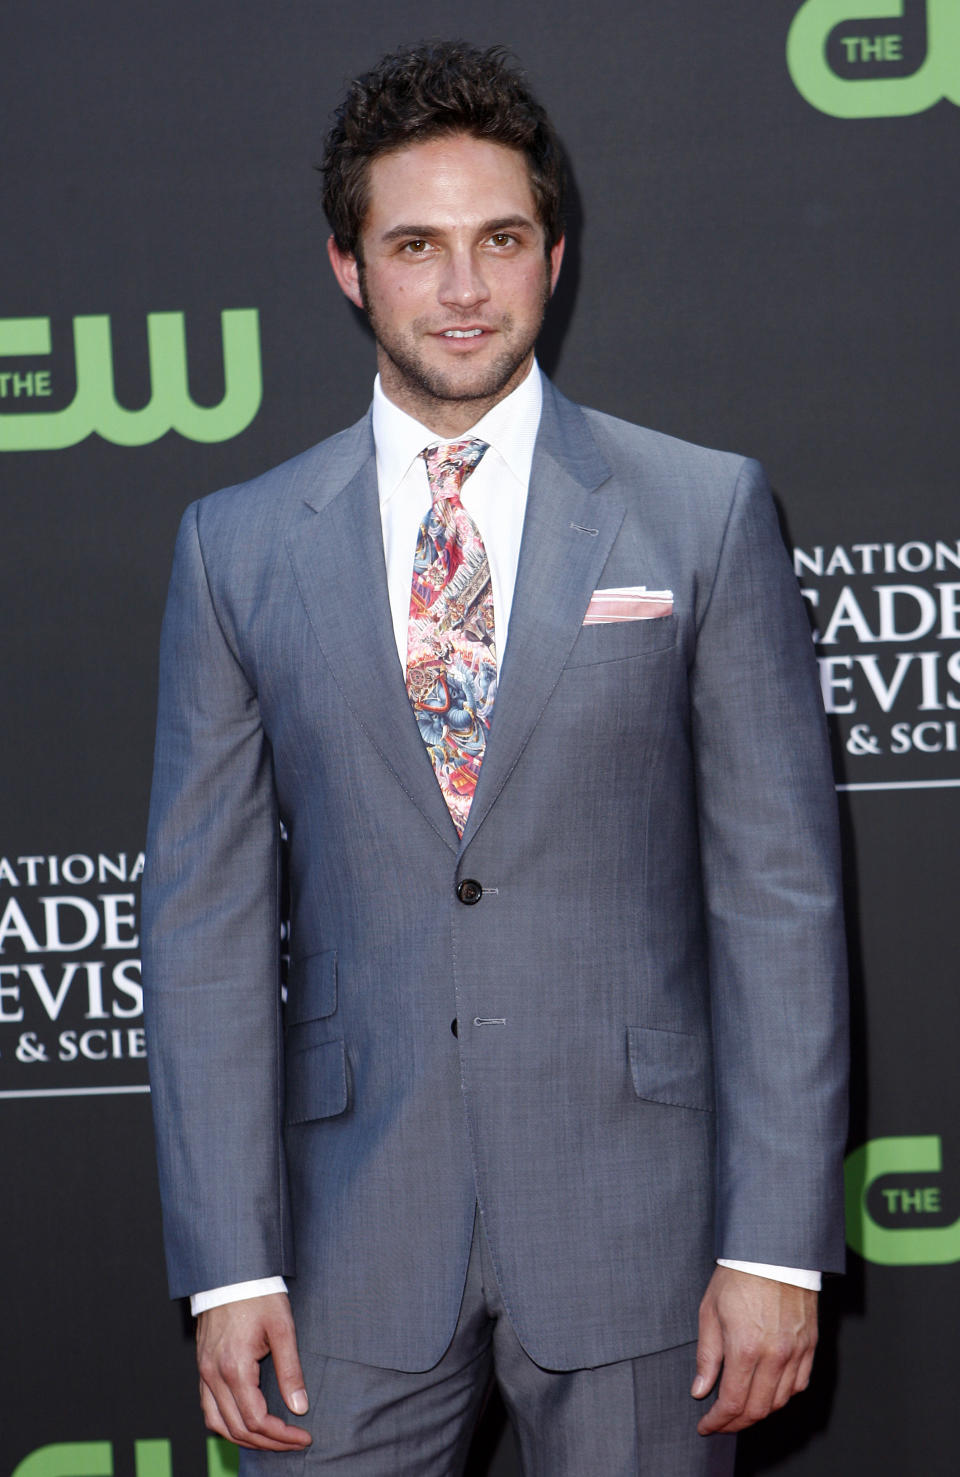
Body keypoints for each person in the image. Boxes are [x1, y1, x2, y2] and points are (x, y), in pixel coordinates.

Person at [142, 40, 848, 1476]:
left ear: (554, 253)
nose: (463, 287)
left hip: (646, 1235)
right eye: (417, 245)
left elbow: (776, 894)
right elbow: (203, 925)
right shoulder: (235, 548)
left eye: (499, 240)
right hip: (345, 1246)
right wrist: (228, 1266)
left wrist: (777, 1238)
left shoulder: (700, 512)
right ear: (350, 267)